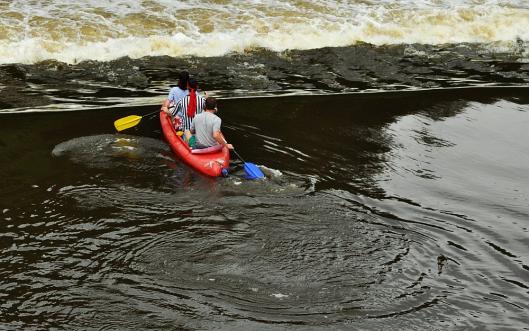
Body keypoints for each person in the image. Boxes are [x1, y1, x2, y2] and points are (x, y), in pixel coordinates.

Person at [172, 78, 205, 142]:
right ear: (197, 87)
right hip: (200, 133)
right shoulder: (203, 101)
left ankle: (191, 143)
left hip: (187, 134)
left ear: (187, 87)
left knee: (184, 131)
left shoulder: (181, 101)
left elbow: (173, 114)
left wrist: (165, 109)